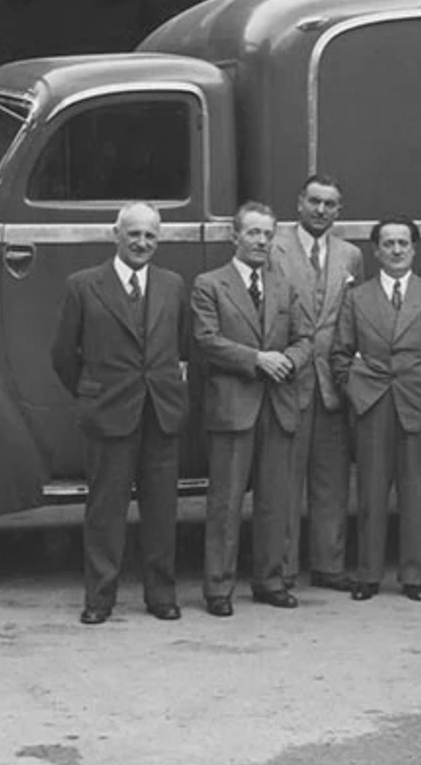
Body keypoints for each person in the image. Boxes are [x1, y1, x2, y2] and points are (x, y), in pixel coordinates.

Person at [50, 202, 190, 625]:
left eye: (150, 236)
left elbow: (182, 347)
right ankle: (100, 598)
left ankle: (161, 594)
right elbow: (63, 354)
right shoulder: (84, 285)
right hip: (109, 412)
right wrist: (92, 392)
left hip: (160, 413)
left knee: (162, 510)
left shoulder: (172, 285)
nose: (142, 243)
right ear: (116, 235)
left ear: (158, 240)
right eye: (134, 234)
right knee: (106, 510)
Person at [192, 202, 313, 617]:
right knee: (225, 503)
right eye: (253, 233)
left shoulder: (284, 286)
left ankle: (270, 581)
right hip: (233, 405)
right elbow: (206, 340)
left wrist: (290, 361)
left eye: (267, 234)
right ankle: (218, 588)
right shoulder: (210, 285)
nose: (260, 241)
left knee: (275, 500)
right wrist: (258, 359)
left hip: (277, 404)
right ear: (235, 236)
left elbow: (305, 338)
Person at [332, 217, 421, 601]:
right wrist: (357, 392)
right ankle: (368, 574)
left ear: (414, 248)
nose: (397, 250)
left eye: (404, 243)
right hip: (373, 405)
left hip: (419, 404)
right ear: (376, 251)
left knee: (415, 493)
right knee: (371, 493)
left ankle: (412, 575)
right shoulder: (357, 297)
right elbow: (339, 354)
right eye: (388, 243)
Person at [271, 173, 364, 592]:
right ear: (299, 203)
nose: (321, 210)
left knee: (332, 479)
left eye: (330, 204)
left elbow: (354, 316)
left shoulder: (350, 255)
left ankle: (329, 564)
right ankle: (284, 567)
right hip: (289, 379)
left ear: (339, 210)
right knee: (286, 480)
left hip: (333, 384)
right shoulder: (273, 247)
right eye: (314, 201)